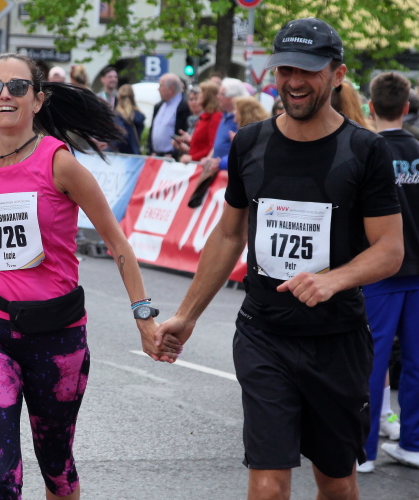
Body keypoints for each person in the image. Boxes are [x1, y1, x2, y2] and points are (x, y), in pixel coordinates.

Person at [0, 52, 179, 500]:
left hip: (57, 333)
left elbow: (117, 242)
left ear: (38, 99)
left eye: (18, 87)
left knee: (57, 470)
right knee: (2, 473)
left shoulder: (58, 163)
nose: (4, 95)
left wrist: (144, 316)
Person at [156, 18, 404, 500]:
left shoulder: (365, 150)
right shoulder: (250, 142)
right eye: (285, 69)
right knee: (268, 486)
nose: (293, 81)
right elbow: (229, 234)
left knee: (336, 484)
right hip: (264, 334)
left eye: (308, 70)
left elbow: (390, 250)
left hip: (336, 340)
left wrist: (333, 280)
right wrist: (187, 315)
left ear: (337, 74)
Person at [358, 71, 419, 474]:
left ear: (371, 106)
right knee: (418, 361)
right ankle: (414, 444)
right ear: (407, 107)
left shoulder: (367, 152)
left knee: (371, 361)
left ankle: (364, 450)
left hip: (379, 271)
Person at [147, 73, 190, 157]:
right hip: (156, 156)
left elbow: (183, 131)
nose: (158, 89)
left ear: (171, 89)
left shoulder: (184, 106)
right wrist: (151, 150)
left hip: (172, 157)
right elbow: (152, 130)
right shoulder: (158, 106)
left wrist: (174, 153)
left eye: (161, 86)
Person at [178, 81, 221, 164]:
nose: (198, 96)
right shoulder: (203, 117)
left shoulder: (215, 117)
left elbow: (213, 146)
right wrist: (189, 141)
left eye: (201, 93)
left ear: (207, 96)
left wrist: (192, 157)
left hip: (201, 164)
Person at [109, 83, 146, 154]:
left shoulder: (117, 116)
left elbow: (120, 136)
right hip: (135, 154)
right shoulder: (139, 115)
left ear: (118, 97)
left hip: (120, 155)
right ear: (133, 97)